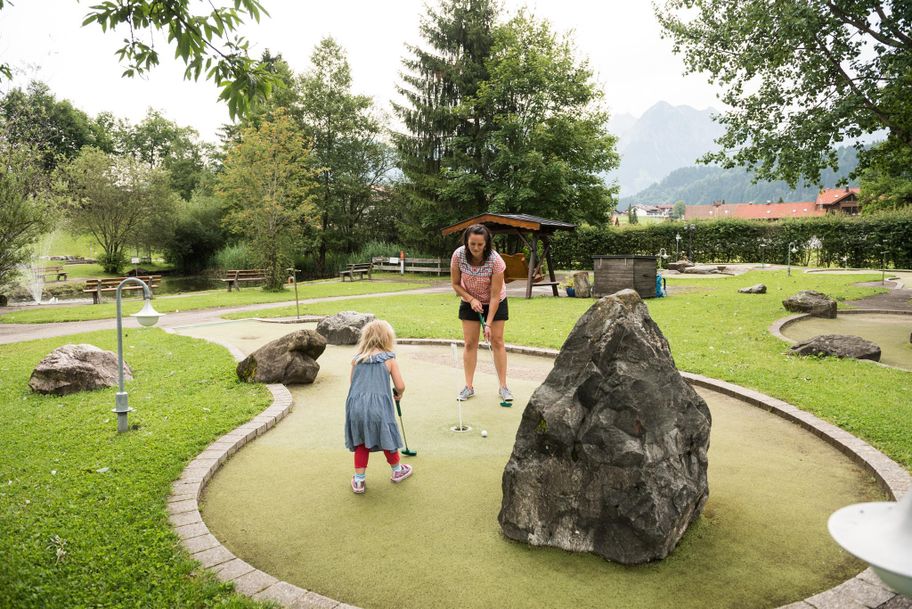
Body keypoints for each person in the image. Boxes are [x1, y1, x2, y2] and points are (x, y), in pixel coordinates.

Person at [344, 320, 411, 494]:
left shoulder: (356, 360)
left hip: (355, 406)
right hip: (378, 407)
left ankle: (359, 481)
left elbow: (353, 383)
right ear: (387, 339)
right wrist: (399, 393)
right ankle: (397, 470)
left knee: (361, 441)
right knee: (386, 435)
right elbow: (400, 385)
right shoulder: (389, 359)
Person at [450, 223, 512, 403]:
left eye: (480, 244)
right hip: (470, 300)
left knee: (497, 340)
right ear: (467, 242)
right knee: (470, 343)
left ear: (486, 244)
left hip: (495, 301)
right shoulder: (458, 256)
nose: (476, 248)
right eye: (472, 244)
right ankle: (468, 387)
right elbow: (455, 284)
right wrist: (470, 299)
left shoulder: (495, 261)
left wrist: (488, 323)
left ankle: (503, 387)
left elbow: (494, 296)